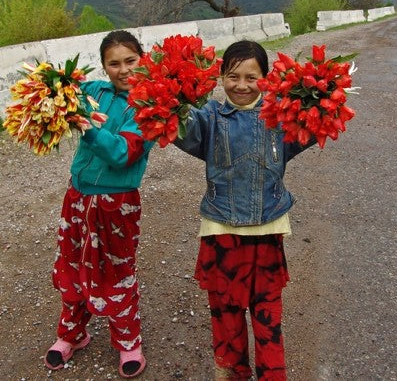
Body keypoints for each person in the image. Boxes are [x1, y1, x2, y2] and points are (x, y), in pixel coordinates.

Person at [174, 40, 317, 380]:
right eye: (232, 76)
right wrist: (173, 99)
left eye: (251, 77)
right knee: (225, 313)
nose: (241, 85)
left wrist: (321, 99)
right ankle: (232, 372)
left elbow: (309, 130)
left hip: (267, 230)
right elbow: (183, 130)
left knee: (268, 317)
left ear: (266, 78)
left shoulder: (281, 115)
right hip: (221, 231)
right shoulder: (208, 117)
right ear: (221, 77)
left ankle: (271, 375)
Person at [45, 30, 154, 378]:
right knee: (72, 265)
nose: (123, 69)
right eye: (114, 63)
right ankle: (71, 335)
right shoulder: (94, 92)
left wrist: (86, 126)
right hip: (77, 197)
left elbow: (122, 153)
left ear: (143, 58)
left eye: (130, 61)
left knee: (116, 273)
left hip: (116, 204)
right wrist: (51, 88)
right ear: (104, 66)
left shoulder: (151, 105)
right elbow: (63, 95)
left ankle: (128, 343)